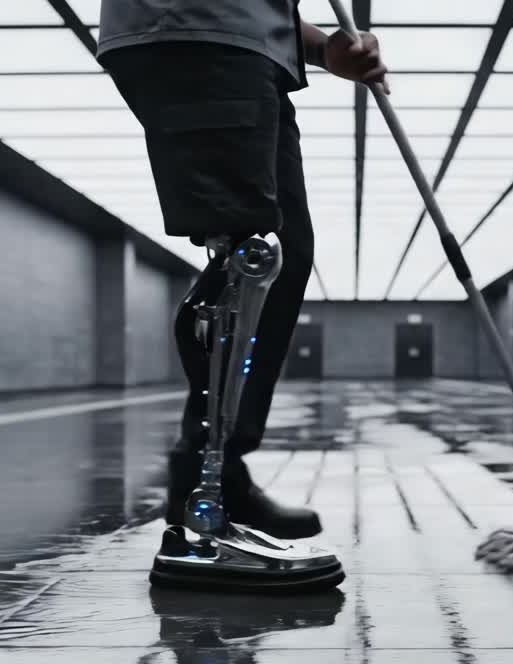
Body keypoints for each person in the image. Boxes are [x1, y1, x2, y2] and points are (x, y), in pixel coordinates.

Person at [98, 2, 389, 539]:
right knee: (253, 256)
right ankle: (209, 482)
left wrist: (324, 49)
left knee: (278, 254)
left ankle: (214, 471)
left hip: (245, 50)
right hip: (202, 37)